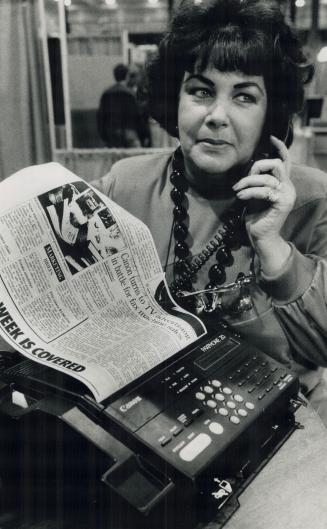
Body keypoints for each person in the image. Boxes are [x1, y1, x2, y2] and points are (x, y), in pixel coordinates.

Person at [92, 0, 327, 424]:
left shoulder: (311, 199)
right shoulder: (123, 186)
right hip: (154, 412)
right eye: (201, 91)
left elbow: (322, 348)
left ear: (269, 113)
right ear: (174, 97)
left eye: (244, 97)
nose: (217, 116)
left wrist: (273, 244)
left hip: (280, 419)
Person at [97, 63, 147, 148]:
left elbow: (101, 116)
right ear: (127, 76)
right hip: (129, 132)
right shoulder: (130, 94)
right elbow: (137, 116)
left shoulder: (106, 93)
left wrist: (104, 135)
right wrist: (143, 136)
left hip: (112, 133)